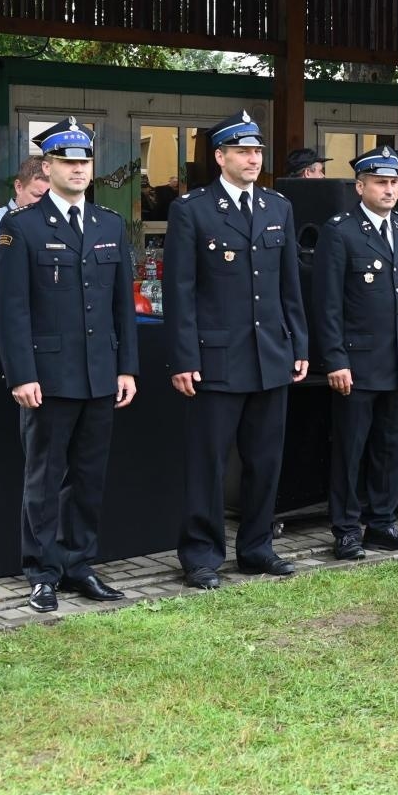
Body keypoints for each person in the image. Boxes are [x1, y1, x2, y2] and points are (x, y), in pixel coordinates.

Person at [0, 118, 138, 612]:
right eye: (67, 162)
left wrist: (127, 368)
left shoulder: (108, 224)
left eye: (84, 162)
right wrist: (22, 374)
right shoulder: (22, 226)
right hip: (49, 376)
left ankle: (79, 565)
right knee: (45, 477)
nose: (77, 170)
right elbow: (12, 309)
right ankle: (42, 571)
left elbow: (123, 306)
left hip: (100, 372)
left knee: (89, 476)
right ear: (48, 166)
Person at [165, 109, 309, 585]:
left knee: (266, 460)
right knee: (208, 463)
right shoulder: (193, 209)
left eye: (258, 151)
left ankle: (256, 547)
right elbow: (180, 292)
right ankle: (202, 556)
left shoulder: (277, 208)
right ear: (220, 156)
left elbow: (290, 285)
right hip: (217, 357)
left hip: (270, 354)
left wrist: (298, 343)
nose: (253, 158)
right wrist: (184, 358)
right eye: (244, 151)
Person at [311, 146, 398, 561]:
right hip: (358, 362)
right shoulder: (341, 231)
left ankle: (382, 522)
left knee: (391, 447)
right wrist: (336, 359)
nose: (389, 189)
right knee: (350, 451)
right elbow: (327, 304)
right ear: (360, 186)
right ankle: (346, 529)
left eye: (394, 182)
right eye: (380, 182)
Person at [0, 156, 49, 326]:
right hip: (9, 326)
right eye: (37, 195)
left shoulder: (51, 223)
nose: (43, 204)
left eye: (49, 198)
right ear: (19, 187)